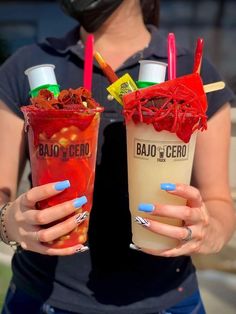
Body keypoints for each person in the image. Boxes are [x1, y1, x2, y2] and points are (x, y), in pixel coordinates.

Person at [0, 0, 235, 313]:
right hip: (40, 297)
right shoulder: (27, 65)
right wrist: (8, 223)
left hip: (167, 300)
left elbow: (219, 202)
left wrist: (208, 231)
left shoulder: (193, 74)